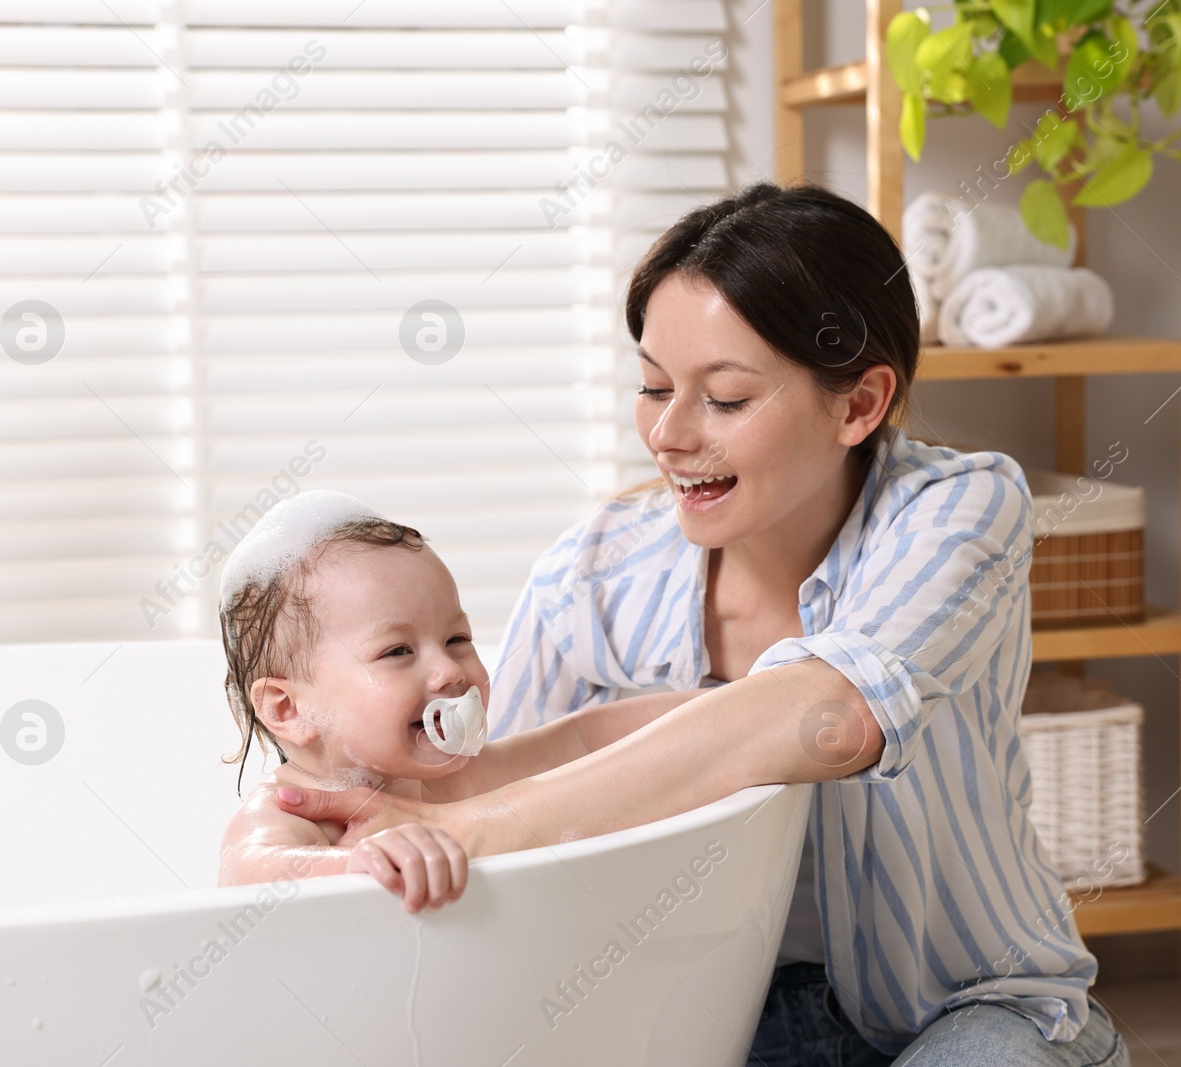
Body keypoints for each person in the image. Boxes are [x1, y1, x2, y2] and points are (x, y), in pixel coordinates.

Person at [274, 181, 1131, 1065]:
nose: (669, 435)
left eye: (724, 398)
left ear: (860, 403)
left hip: (965, 1011)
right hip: (696, 1015)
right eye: (653, 386)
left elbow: (829, 720)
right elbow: (499, 799)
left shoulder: (960, 510)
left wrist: (471, 828)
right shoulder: (593, 576)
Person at [214, 490, 702, 910]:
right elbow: (250, 871)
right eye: (398, 651)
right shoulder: (294, 810)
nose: (449, 671)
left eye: (456, 639)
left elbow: (584, 737)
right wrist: (355, 862)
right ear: (287, 709)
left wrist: (726, 705)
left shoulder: (464, 780)